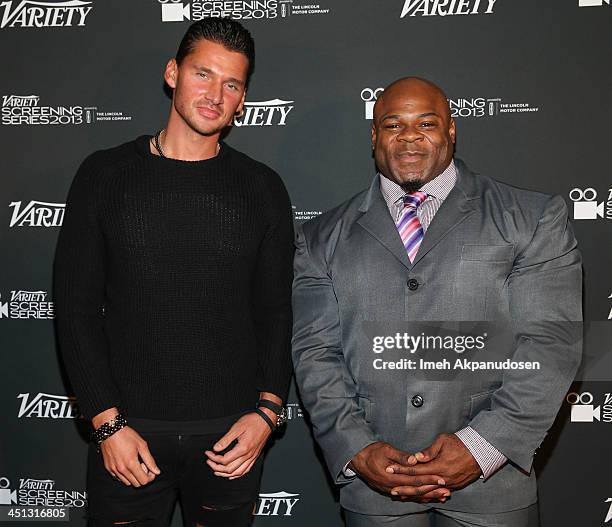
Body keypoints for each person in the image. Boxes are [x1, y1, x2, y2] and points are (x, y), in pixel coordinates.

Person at [292, 77, 582, 527]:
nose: (410, 135)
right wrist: (357, 448)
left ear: (451, 131)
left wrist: (483, 446)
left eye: (426, 122)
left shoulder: (531, 218)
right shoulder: (320, 237)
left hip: (493, 485)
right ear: (374, 137)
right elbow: (315, 354)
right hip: (375, 488)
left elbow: (550, 342)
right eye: (393, 124)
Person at [54, 18, 294, 527]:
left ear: (243, 97)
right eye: (203, 74)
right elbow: (75, 309)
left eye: (231, 83)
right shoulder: (105, 175)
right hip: (127, 435)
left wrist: (266, 415)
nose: (215, 94)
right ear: (172, 73)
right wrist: (106, 425)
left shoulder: (262, 188)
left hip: (230, 441)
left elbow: (274, 311)